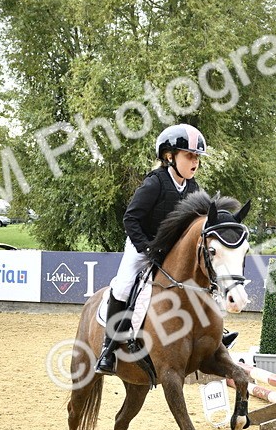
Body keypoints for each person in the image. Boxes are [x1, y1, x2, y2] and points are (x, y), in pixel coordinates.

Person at [95, 124, 237, 375]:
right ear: (169, 156)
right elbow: (131, 219)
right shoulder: (155, 183)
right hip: (142, 246)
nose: (195, 162)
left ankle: (215, 335)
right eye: (189, 155)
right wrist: (147, 249)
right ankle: (109, 348)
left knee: (203, 278)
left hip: (173, 250)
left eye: (197, 157)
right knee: (124, 285)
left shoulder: (193, 189)